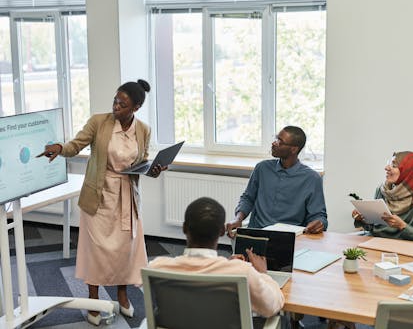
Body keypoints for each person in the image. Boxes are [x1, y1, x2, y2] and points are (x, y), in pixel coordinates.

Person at [37, 79, 166, 325]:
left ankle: (122, 294)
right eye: (115, 100)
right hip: (99, 194)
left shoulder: (144, 130)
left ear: (136, 108)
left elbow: (143, 161)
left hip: (127, 195)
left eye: (123, 104)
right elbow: (76, 146)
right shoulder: (99, 122)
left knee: (124, 249)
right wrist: (59, 147)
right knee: (95, 250)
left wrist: (154, 170)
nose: (116, 106)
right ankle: (93, 298)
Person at [148, 197, 284, 318]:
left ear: (184, 228)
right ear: (221, 231)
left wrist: (226, 264)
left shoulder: (156, 267)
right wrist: (263, 274)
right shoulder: (242, 272)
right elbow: (271, 307)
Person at [226, 126, 327, 237]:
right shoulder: (262, 168)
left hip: (289, 239)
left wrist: (319, 223)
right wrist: (238, 219)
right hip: (257, 234)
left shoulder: (311, 178)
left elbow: (319, 216)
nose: (274, 143)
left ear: (294, 149)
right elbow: (248, 198)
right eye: (276, 138)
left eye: (280, 141)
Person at [352, 151, 413, 243]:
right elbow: (373, 228)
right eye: (389, 164)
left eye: (394, 166)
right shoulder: (382, 190)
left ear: (408, 171)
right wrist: (362, 219)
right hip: (376, 244)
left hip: (404, 249)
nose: (386, 168)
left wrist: (403, 226)